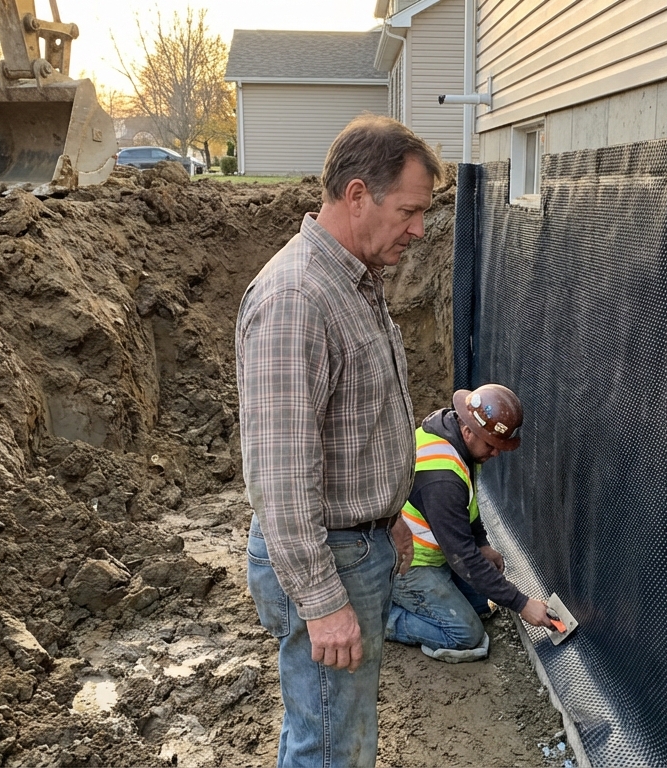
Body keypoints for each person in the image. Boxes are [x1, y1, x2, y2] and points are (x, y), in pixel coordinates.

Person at [236, 114, 442, 768]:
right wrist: (325, 606)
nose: (419, 229)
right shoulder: (299, 297)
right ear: (358, 196)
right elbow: (282, 476)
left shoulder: (355, 278)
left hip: (358, 541)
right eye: (409, 210)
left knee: (324, 721)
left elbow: (362, 424)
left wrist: (389, 521)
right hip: (328, 556)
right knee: (330, 744)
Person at [387, 383, 556, 663]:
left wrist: (482, 543)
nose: (496, 453)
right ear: (468, 430)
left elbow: (469, 504)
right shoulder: (441, 478)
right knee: (466, 636)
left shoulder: (457, 440)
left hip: (433, 557)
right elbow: (462, 557)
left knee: (483, 603)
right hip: (408, 566)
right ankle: (384, 618)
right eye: (492, 445)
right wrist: (522, 604)